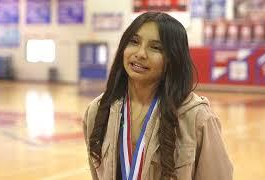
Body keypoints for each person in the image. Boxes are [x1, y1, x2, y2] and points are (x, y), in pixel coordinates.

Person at [83, 12, 233, 180]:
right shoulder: (97, 110)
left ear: (173, 58)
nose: (140, 53)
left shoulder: (197, 117)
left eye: (155, 47)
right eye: (134, 42)